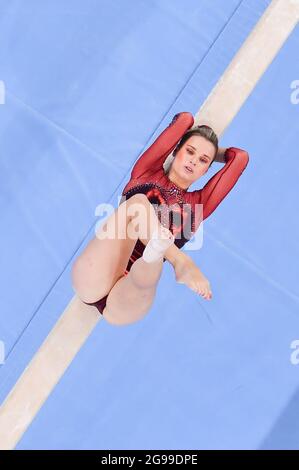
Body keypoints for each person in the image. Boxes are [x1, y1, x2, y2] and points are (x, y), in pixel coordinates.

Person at [71, 112, 249, 325]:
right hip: (97, 273)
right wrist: (208, 149)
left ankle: (156, 251)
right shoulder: (145, 173)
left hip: (129, 296)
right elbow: (184, 120)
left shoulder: (199, 206)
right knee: (138, 204)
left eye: (203, 161)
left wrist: (212, 153)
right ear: (175, 150)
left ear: (206, 171)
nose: (193, 161)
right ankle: (180, 261)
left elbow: (240, 159)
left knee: (150, 263)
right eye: (190, 152)